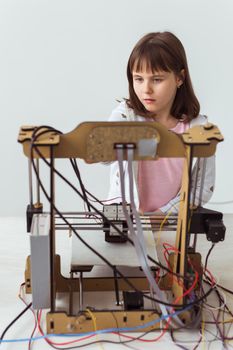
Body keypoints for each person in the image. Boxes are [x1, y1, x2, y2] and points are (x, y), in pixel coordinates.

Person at [107, 31, 215, 215]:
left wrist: (162, 215)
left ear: (179, 78)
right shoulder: (125, 117)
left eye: (156, 79)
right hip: (126, 227)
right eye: (138, 79)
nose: (146, 89)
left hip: (171, 228)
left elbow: (202, 188)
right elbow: (104, 156)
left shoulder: (199, 129)